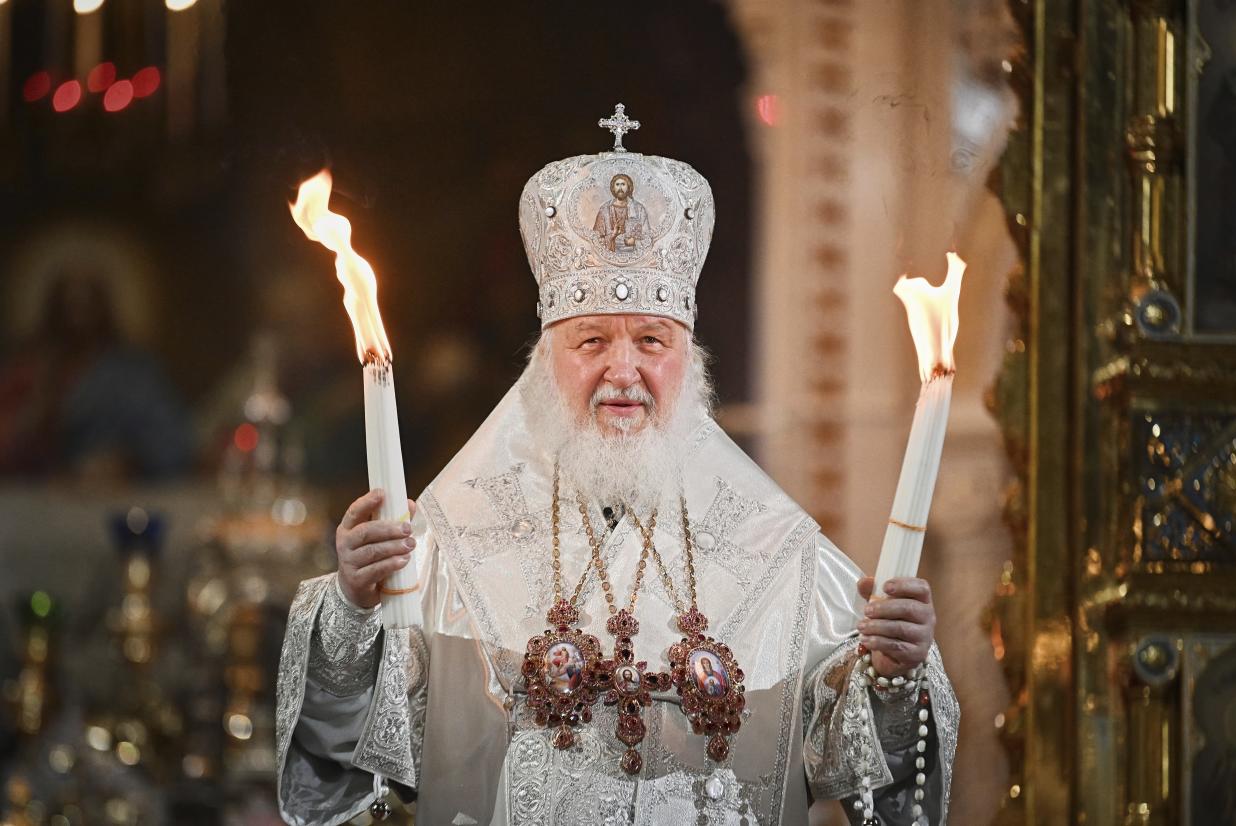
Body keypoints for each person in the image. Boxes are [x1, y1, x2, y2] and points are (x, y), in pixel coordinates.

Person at [275, 107, 958, 825]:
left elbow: (879, 784)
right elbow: (352, 773)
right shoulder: (454, 535)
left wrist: (894, 674)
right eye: (592, 340)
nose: (623, 371)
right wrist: (354, 605)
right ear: (544, 364)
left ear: (690, 364)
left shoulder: (774, 546)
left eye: (653, 341)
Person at [592, 173, 653, 257]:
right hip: (609, 256)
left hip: (634, 256)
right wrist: (612, 236)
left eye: (623, 184)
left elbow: (648, 237)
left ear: (629, 187)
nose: (620, 188)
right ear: (613, 188)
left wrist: (634, 241)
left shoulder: (639, 209)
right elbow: (595, 239)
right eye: (617, 185)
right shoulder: (604, 209)